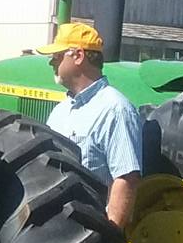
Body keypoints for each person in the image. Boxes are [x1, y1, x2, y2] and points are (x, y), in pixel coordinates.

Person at [37, 22, 142, 229]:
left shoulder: (115, 109)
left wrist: (111, 236)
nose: (51, 62)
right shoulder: (60, 110)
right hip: (56, 225)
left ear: (78, 56)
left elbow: (126, 178)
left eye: (57, 56)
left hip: (88, 228)